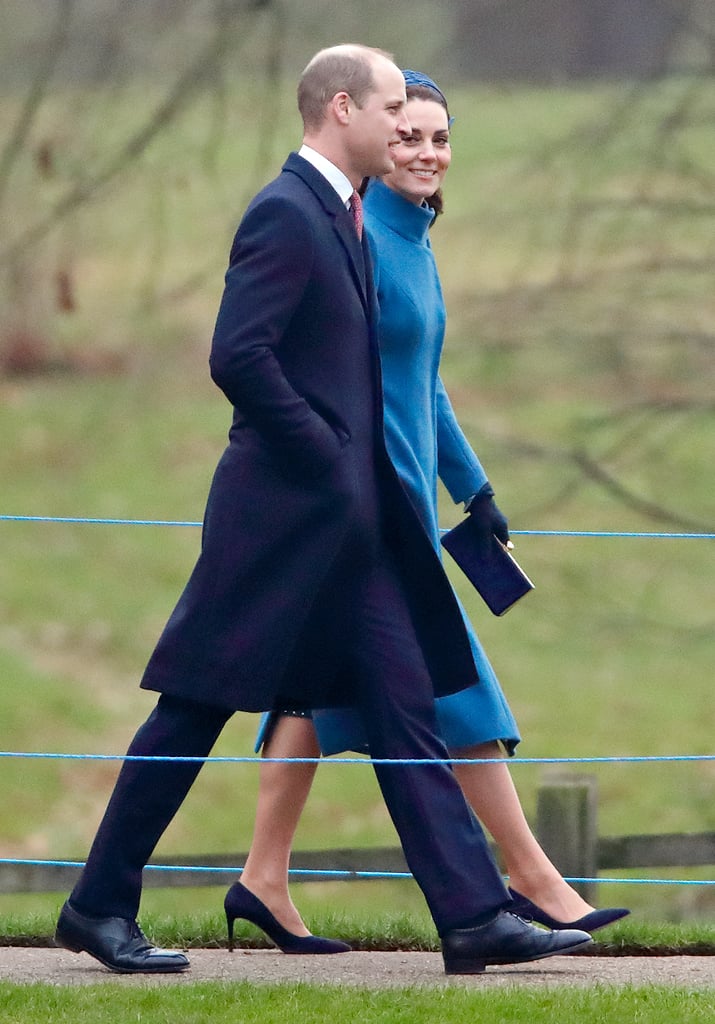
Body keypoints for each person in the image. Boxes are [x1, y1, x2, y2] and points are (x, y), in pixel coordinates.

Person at [54, 45, 592, 977]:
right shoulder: (285, 211)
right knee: (191, 710)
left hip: (356, 534)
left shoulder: (343, 216)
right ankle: (99, 905)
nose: (405, 127)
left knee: (406, 705)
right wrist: (331, 455)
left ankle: (472, 918)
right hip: (277, 531)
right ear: (341, 109)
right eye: (392, 109)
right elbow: (239, 357)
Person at [236, 70, 629, 946]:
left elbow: (423, 384)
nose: (424, 152)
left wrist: (473, 488)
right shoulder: (359, 237)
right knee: (459, 690)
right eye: (407, 135)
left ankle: (262, 879)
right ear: (373, 141)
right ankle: (532, 879)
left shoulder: (411, 238)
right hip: (363, 510)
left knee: (313, 694)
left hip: (401, 503)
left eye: (439, 138)